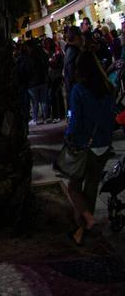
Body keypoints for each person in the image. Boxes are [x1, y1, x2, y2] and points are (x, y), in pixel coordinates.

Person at [63, 52, 115, 246]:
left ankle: (86, 218)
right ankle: (81, 230)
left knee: (74, 186)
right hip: (104, 144)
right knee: (91, 187)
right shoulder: (108, 87)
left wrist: (69, 135)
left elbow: (75, 120)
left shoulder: (79, 90)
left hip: (87, 144)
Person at [27, 42, 50, 125]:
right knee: (44, 100)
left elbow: (29, 70)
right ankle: (45, 118)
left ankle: (35, 119)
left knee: (35, 102)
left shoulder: (30, 58)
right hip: (43, 80)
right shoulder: (43, 56)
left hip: (33, 83)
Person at [63, 26, 83, 99]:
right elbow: (72, 74)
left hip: (74, 91)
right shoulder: (73, 51)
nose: (82, 38)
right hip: (77, 92)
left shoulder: (71, 50)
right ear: (77, 37)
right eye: (81, 35)